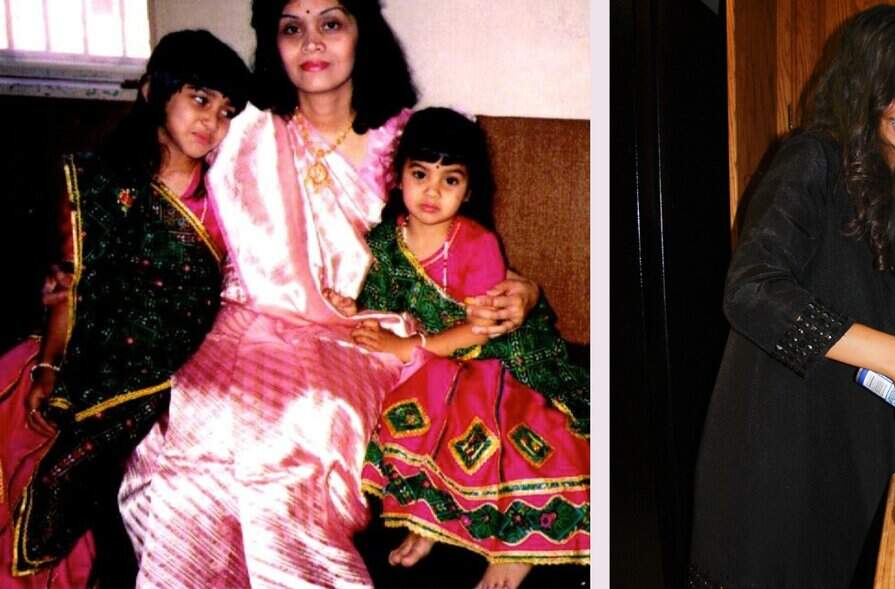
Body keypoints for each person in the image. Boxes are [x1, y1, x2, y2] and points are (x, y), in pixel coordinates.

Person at [117, 2, 538, 587]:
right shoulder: (241, 131)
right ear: (274, 43)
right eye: (293, 28)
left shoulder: (407, 139)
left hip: (365, 331)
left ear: (363, 34)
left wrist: (524, 288)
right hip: (246, 316)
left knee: (306, 417)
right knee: (186, 413)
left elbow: (466, 244)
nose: (312, 42)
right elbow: (160, 196)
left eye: (331, 23)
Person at [689, 6, 895, 587]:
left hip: (848, 442)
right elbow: (750, 291)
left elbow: (864, 329)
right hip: (780, 442)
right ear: (861, 85)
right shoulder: (811, 157)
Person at [0, 30, 250, 588]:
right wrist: (48, 364)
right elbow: (70, 285)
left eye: (227, 110)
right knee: (18, 422)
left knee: (71, 472)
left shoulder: (228, 201)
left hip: (165, 375)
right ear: (152, 93)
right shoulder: (97, 181)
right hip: (78, 351)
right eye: (200, 99)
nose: (212, 121)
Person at [327, 107, 590, 589]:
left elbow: (485, 328)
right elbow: (378, 309)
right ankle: (430, 522)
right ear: (398, 175)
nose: (432, 191)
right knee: (411, 406)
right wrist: (347, 306)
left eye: (450, 180)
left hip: (498, 353)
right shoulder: (383, 243)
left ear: (468, 191)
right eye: (420, 175)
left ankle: (518, 546)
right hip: (431, 358)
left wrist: (413, 346)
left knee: (509, 422)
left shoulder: (476, 242)